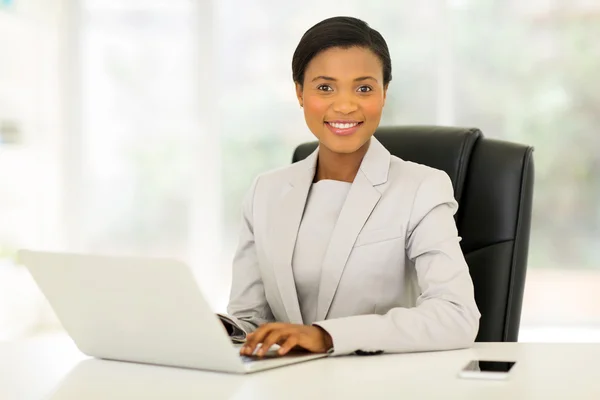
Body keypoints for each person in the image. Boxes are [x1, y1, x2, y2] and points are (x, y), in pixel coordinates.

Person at [226, 16, 480, 357]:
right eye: (325, 87)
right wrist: (223, 329)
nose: (345, 105)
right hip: (285, 385)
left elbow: (457, 316)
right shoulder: (265, 192)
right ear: (300, 92)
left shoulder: (423, 188)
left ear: (384, 93)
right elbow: (250, 321)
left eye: (363, 88)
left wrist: (326, 336)